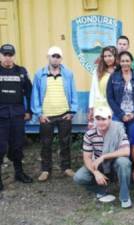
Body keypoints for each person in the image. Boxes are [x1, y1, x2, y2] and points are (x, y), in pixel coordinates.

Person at [31, 46, 78, 182]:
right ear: (48, 57)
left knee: (65, 142)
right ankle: (46, 170)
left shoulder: (68, 74)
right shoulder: (39, 74)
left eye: (58, 56)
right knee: (46, 143)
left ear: (61, 58)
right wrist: (39, 114)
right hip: (47, 116)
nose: (56, 59)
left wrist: (72, 111)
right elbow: (35, 95)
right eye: (53, 56)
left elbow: (73, 93)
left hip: (64, 114)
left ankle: (66, 168)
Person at [74, 106, 132, 208]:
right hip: (98, 166)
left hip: (114, 164)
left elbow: (126, 151)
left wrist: (104, 156)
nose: (101, 122)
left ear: (110, 118)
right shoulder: (89, 134)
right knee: (79, 177)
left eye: (104, 119)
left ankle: (125, 196)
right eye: (98, 119)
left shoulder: (118, 129)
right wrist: (95, 172)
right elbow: (87, 158)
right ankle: (101, 190)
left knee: (124, 162)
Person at [0, 44, 33, 190]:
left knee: (18, 146)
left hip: (17, 115)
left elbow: (29, 92)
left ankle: (19, 173)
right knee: (1, 148)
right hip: (1, 116)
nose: (8, 58)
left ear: (14, 55)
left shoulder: (21, 71)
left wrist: (29, 111)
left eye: (10, 55)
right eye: (5, 54)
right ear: (1, 55)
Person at [106, 51, 134, 136]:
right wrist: (121, 114)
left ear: (131, 62)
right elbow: (110, 98)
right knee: (118, 141)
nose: (125, 63)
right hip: (118, 115)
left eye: (127, 61)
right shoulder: (113, 77)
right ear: (119, 62)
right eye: (122, 61)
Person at [88, 46, 118, 127]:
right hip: (99, 106)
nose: (107, 58)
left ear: (115, 56)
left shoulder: (119, 71)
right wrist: (91, 108)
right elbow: (93, 90)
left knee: (112, 131)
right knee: (98, 131)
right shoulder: (98, 71)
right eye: (105, 56)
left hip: (113, 107)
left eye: (110, 56)